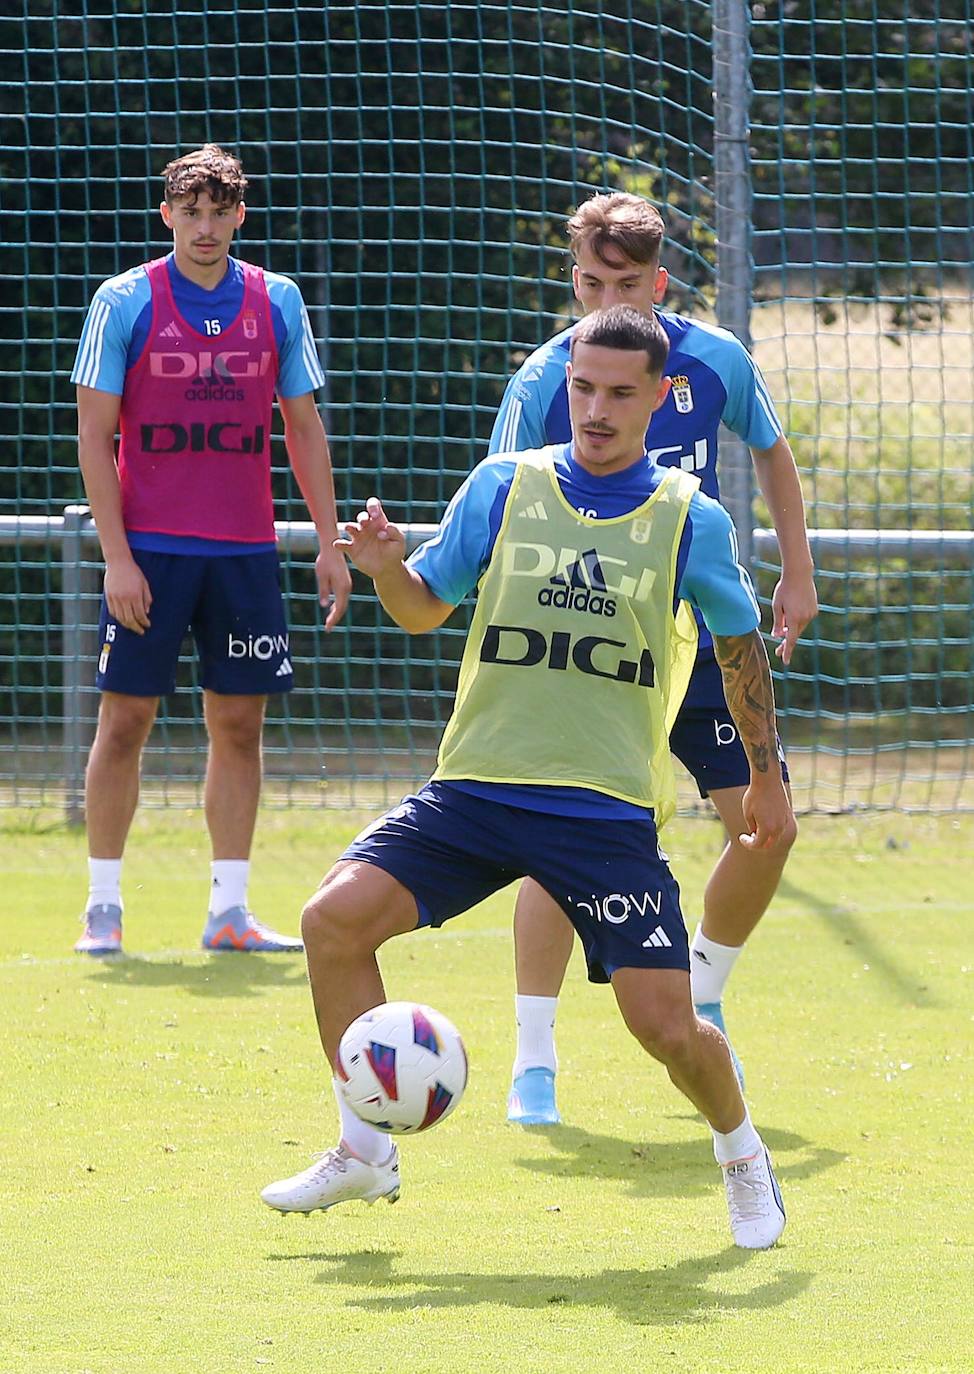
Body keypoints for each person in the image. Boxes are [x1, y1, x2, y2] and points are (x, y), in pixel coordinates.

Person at [260, 306, 795, 1250]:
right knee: (331, 921)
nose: (594, 408)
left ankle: (743, 1155)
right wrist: (386, 570)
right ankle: (363, 1148)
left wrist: (767, 780)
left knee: (668, 1028)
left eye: (619, 392)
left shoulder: (689, 520)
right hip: (475, 788)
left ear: (659, 397)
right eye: (583, 387)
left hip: (601, 811)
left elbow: (741, 648)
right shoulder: (505, 485)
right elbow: (426, 609)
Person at [491, 193, 817, 1124]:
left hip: (702, 640)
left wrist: (796, 574)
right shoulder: (545, 378)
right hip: (586, 640)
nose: (602, 301)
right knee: (551, 847)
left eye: (624, 285)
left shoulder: (715, 360)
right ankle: (535, 1059)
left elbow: (772, 450)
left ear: (659, 283)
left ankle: (703, 993)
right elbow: (505, 502)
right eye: (589, 282)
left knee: (769, 825)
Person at [70, 144, 350, 956]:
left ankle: (230, 912)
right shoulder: (123, 300)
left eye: (217, 211)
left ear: (239, 216)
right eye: (188, 211)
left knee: (239, 725)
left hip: (243, 554)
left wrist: (329, 542)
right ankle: (103, 907)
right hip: (150, 554)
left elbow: (302, 428)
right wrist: (116, 557)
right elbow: (94, 437)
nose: (204, 226)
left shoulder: (277, 299)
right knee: (124, 722)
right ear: (168, 217)